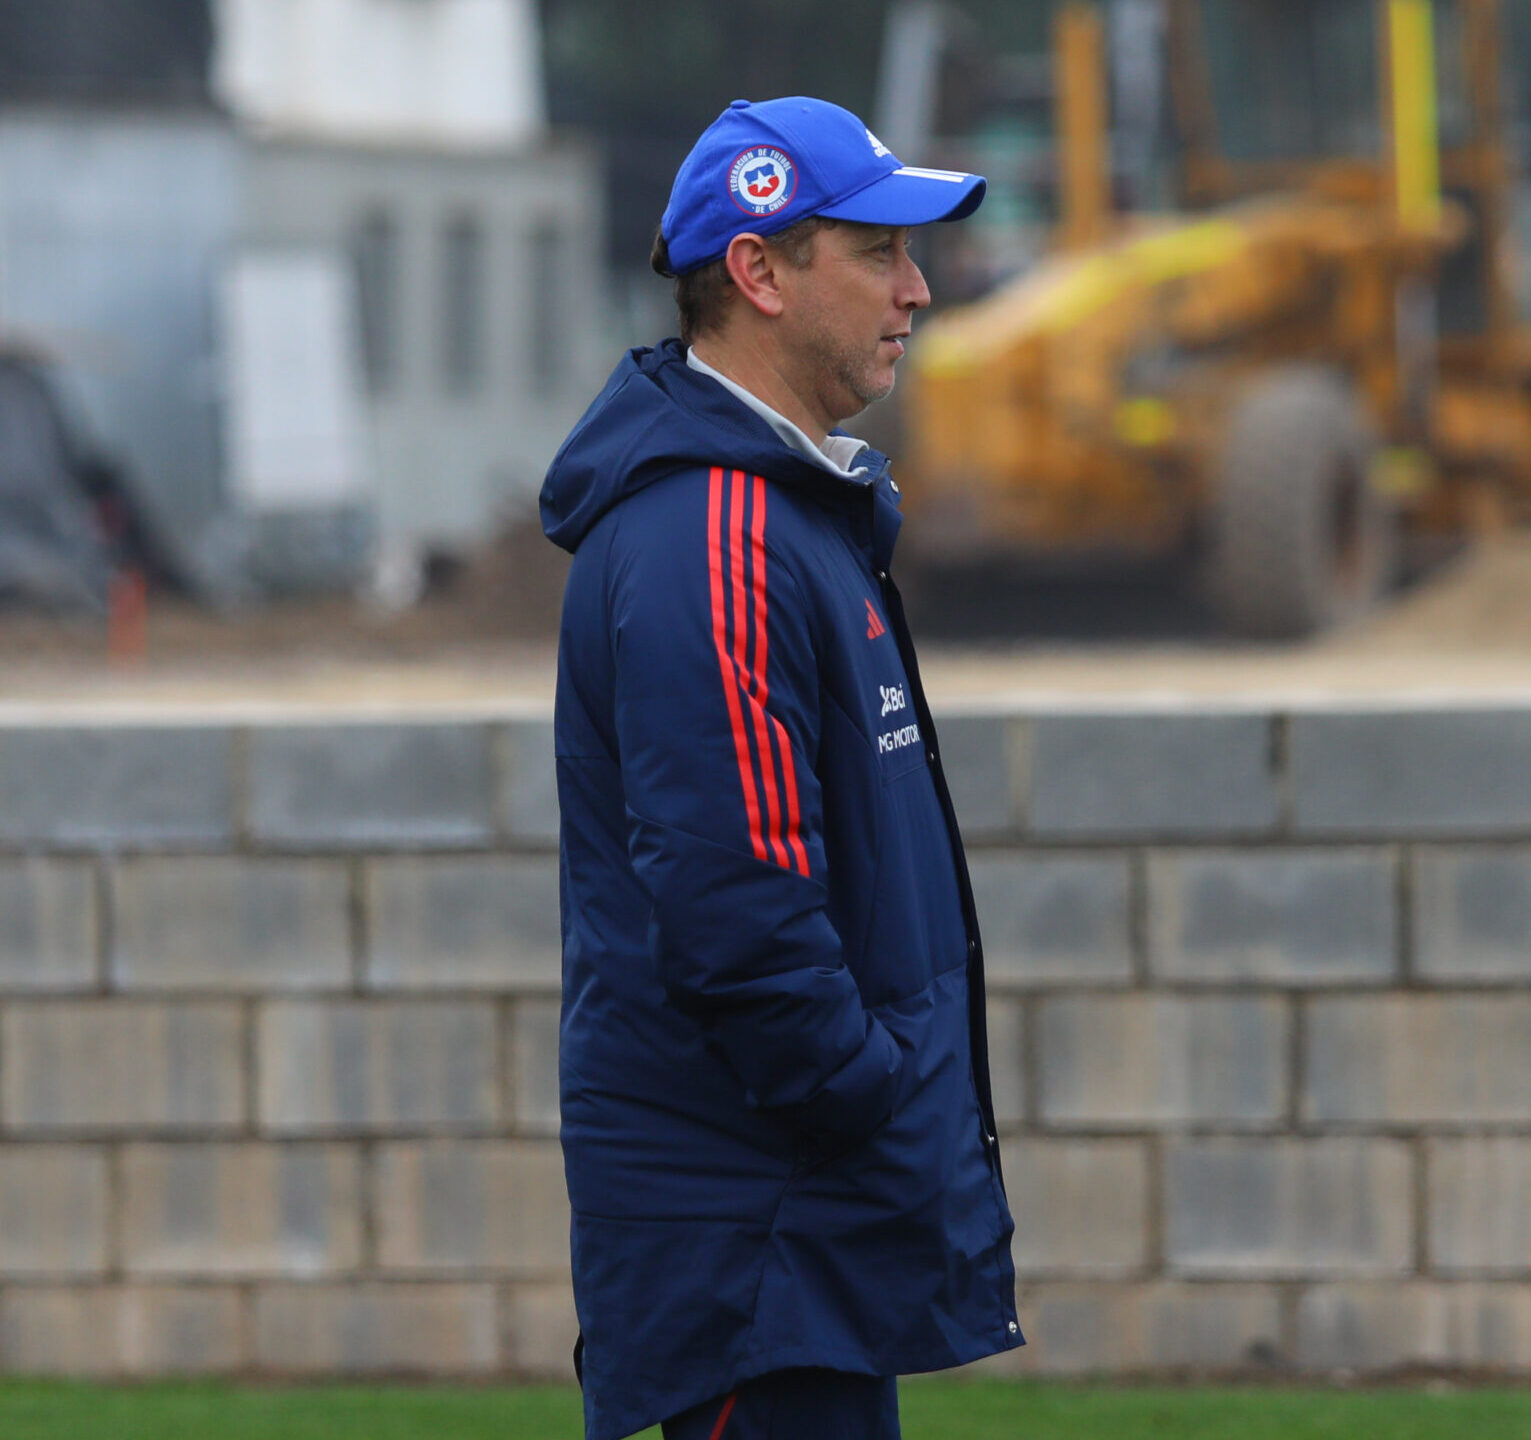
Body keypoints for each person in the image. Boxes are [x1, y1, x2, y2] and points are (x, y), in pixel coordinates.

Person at [538, 96, 1020, 1440]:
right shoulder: (719, 532)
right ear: (758, 271)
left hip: (800, 1241)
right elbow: (738, 910)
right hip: (762, 1244)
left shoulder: (781, 513)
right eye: (877, 254)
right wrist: (864, 1096)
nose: (917, 291)